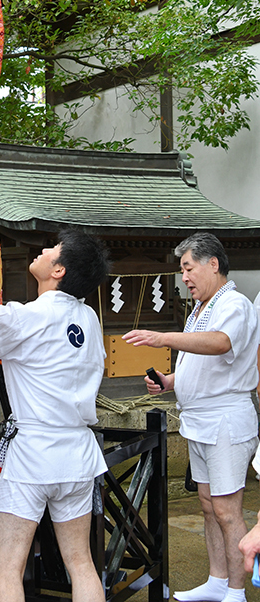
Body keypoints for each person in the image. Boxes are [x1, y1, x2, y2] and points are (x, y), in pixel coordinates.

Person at [0, 230, 110, 602]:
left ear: (58, 270)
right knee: (81, 563)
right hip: (77, 451)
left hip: (33, 454)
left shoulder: (26, 318)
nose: (42, 250)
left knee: (8, 568)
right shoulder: (90, 319)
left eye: (51, 250)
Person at [123, 232, 260, 602]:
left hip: (226, 419)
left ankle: (236, 590)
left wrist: (163, 338)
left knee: (228, 510)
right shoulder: (201, 307)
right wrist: (170, 381)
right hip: (199, 420)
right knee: (207, 504)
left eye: (187, 267)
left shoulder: (234, 303)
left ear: (212, 264)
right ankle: (217, 581)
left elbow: (220, 343)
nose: (184, 277)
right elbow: (202, 359)